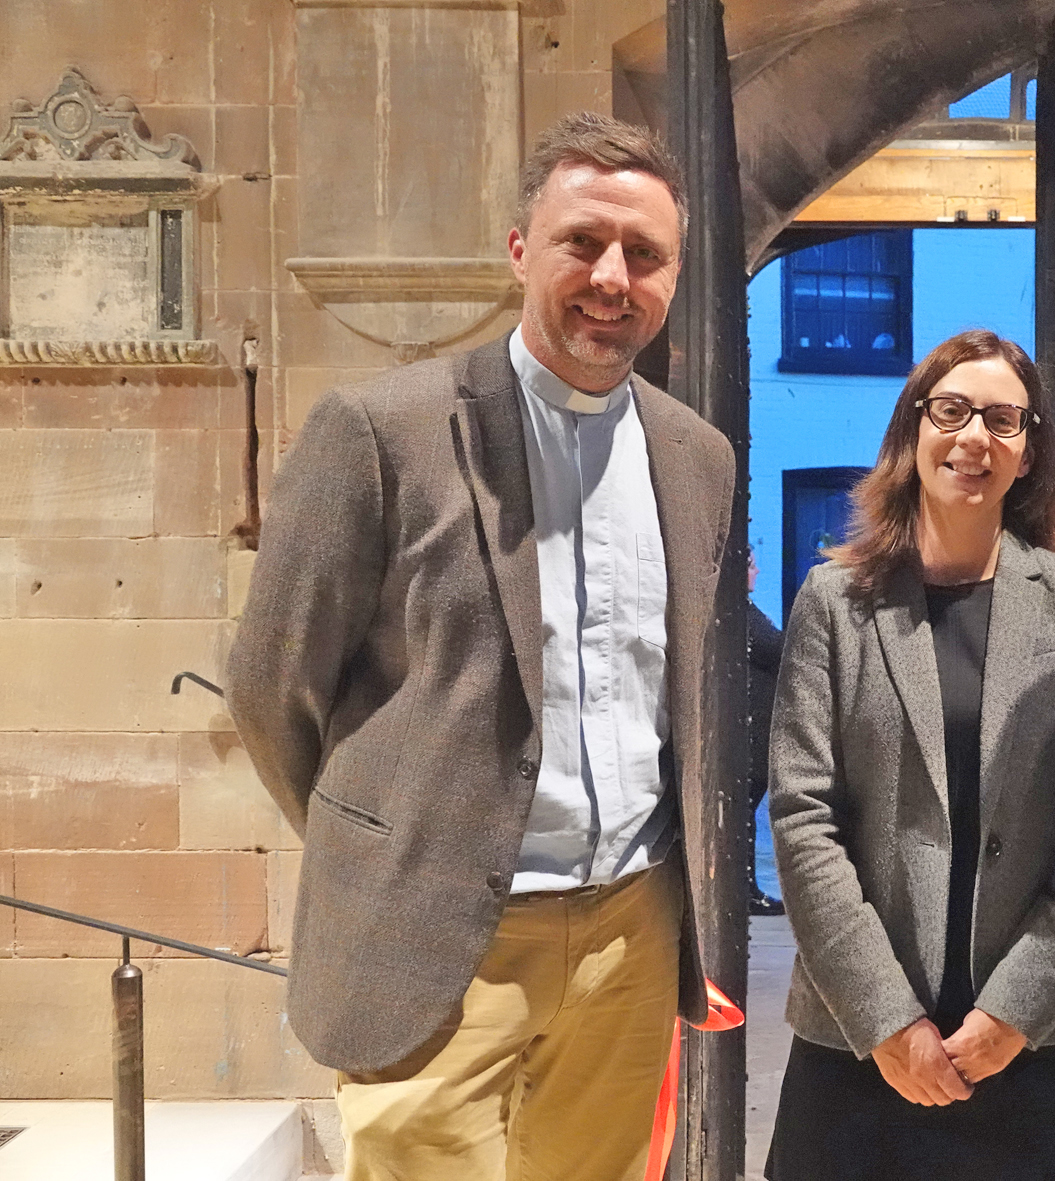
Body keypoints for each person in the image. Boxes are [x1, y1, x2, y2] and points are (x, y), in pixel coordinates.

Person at [227, 112, 735, 1180]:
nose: (611, 276)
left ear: (674, 275)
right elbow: (275, 686)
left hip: (630, 931)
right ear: (519, 250)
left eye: (644, 255)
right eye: (582, 242)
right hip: (442, 936)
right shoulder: (382, 431)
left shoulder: (698, 458)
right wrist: (392, 839)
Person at [765, 329, 1055, 1181]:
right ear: (912, 432)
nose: (975, 436)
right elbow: (802, 815)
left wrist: (1017, 1009)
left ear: (1027, 453)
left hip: (1043, 1040)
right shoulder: (836, 602)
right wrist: (885, 1017)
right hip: (863, 1041)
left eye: (1003, 419)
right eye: (952, 410)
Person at [746, 546, 786, 915]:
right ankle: (747, 890)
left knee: (746, 811)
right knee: (743, 812)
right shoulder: (742, 615)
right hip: (749, 734)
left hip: (756, 731)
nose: (757, 572)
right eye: (754, 565)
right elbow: (780, 649)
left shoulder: (747, 613)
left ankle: (749, 888)